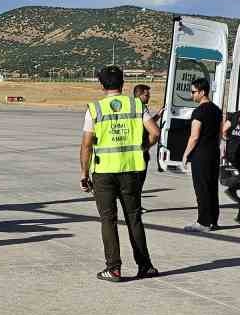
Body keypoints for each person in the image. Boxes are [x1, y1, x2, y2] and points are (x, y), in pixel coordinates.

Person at [81, 65, 160, 282]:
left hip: (104, 172)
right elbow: (155, 132)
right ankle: (145, 265)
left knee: (108, 219)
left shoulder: (95, 108)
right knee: (134, 217)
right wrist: (143, 148)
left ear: (101, 85)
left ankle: (113, 268)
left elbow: (87, 145)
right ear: (123, 83)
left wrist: (83, 173)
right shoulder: (136, 104)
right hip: (130, 170)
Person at [178, 77, 224, 232]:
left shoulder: (199, 111)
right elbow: (219, 133)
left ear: (202, 92)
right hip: (213, 153)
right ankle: (213, 220)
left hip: (201, 154)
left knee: (201, 188)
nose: (192, 95)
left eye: (193, 92)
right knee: (212, 187)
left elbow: (194, 136)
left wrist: (185, 155)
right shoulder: (217, 110)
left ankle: (203, 222)